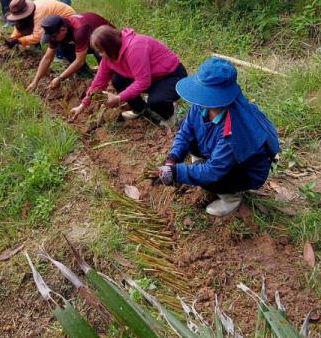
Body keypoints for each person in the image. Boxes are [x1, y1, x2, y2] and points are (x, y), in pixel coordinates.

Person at [153, 57, 281, 216]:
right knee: (188, 134)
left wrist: (177, 173)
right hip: (218, 150)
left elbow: (212, 172)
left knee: (210, 179)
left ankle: (232, 197)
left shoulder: (235, 131)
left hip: (244, 170)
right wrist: (173, 158)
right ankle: (202, 164)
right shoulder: (202, 105)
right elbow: (186, 131)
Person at [70, 25, 187, 125]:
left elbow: (143, 81)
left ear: (110, 46)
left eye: (101, 51)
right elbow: (98, 82)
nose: (100, 55)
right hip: (152, 77)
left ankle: (172, 115)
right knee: (118, 80)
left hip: (171, 76)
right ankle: (142, 111)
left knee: (156, 101)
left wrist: (118, 98)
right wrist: (82, 106)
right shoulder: (109, 56)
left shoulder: (135, 48)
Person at [25, 12, 112, 91]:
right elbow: (48, 58)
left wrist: (60, 78)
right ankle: (86, 75)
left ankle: (109, 79)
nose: (53, 39)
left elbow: (79, 61)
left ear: (63, 29)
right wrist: (35, 81)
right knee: (64, 47)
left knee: (100, 51)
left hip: (108, 40)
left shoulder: (79, 30)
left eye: (54, 37)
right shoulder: (56, 31)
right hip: (88, 39)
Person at [3, 0, 75, 49]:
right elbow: (19, 25)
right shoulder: (28, 10)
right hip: (54, 19)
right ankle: (37, 46)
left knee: (54, 37)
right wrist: (13, 38)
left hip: (68, 19)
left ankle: (60, 55)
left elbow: (37, 36)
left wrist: (19, 41)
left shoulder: (39, 13)